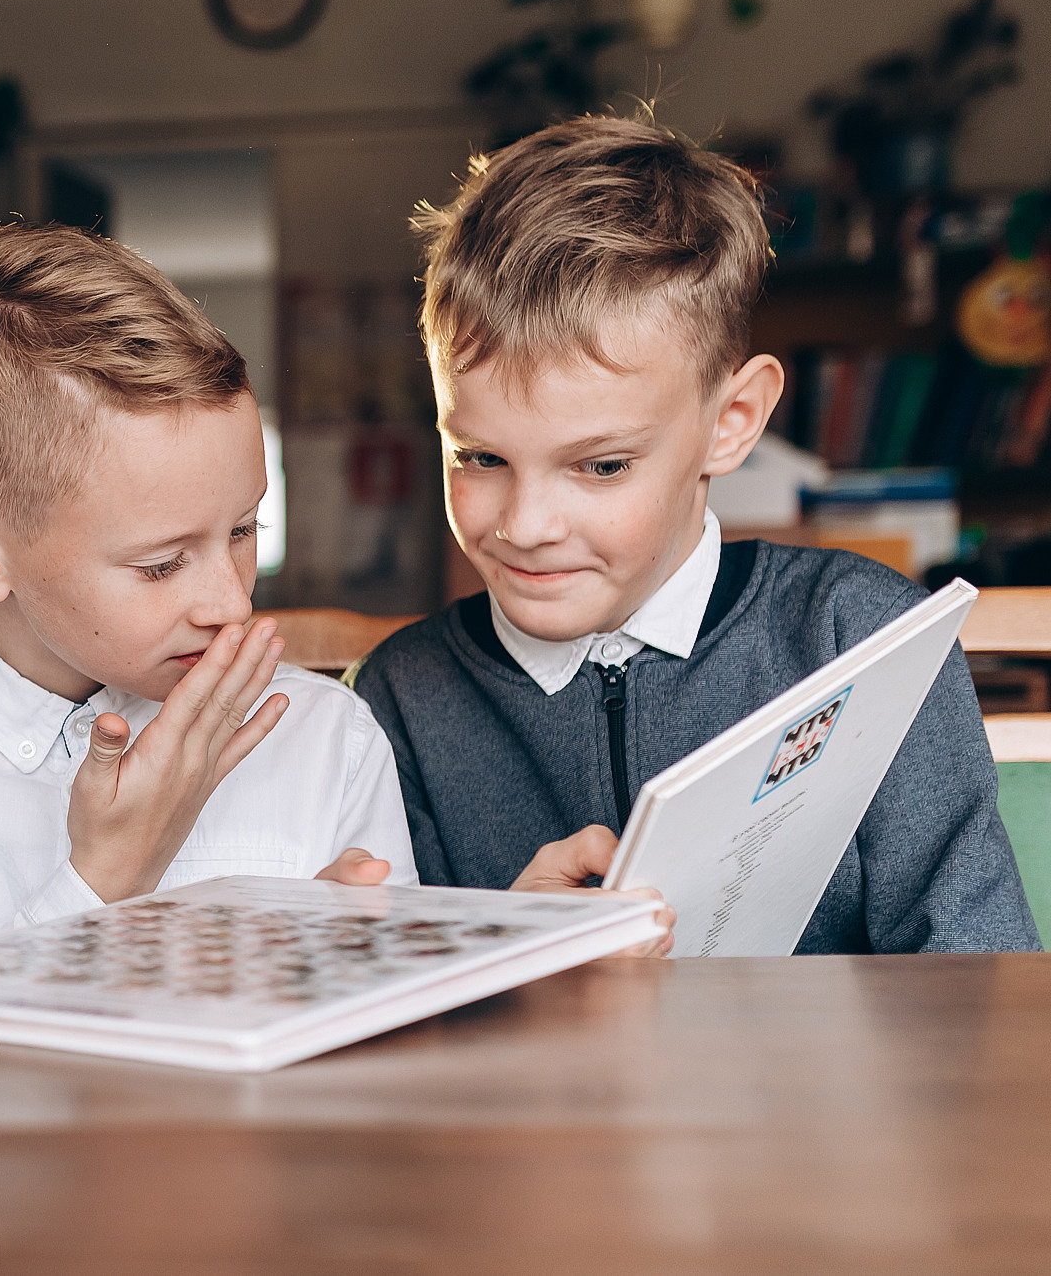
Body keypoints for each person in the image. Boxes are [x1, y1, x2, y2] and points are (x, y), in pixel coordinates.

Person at [349, 116, 1039, 953]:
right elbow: (393, 1044)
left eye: (601, 466)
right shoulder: (397, 698)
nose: (525, 525)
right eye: (481, 455)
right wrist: (502, 951)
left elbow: (980, 975)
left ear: (732, 421)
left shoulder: (858, 637)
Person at [0, 223, 418, 964]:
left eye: (243, 528)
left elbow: (395, 1058)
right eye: (162, 564)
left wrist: (321, 983)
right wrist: (103, 880)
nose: (231, 603)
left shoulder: (329, 739)